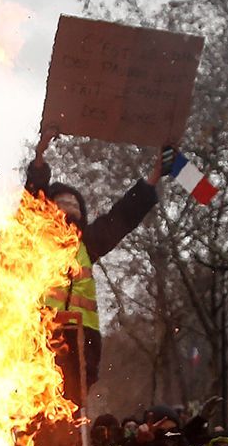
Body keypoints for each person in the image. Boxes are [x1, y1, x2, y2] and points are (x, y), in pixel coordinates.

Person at [25, 148, 163, 399]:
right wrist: (39, 160)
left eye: (74, 204)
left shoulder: (88, 243)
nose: (69, 207)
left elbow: (122, 216)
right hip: (42, 334)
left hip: (82, 339)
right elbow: (31, 200)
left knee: (73, 404)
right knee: (37, 400)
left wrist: (153, 178)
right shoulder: (35, 241)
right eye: (62, 202)